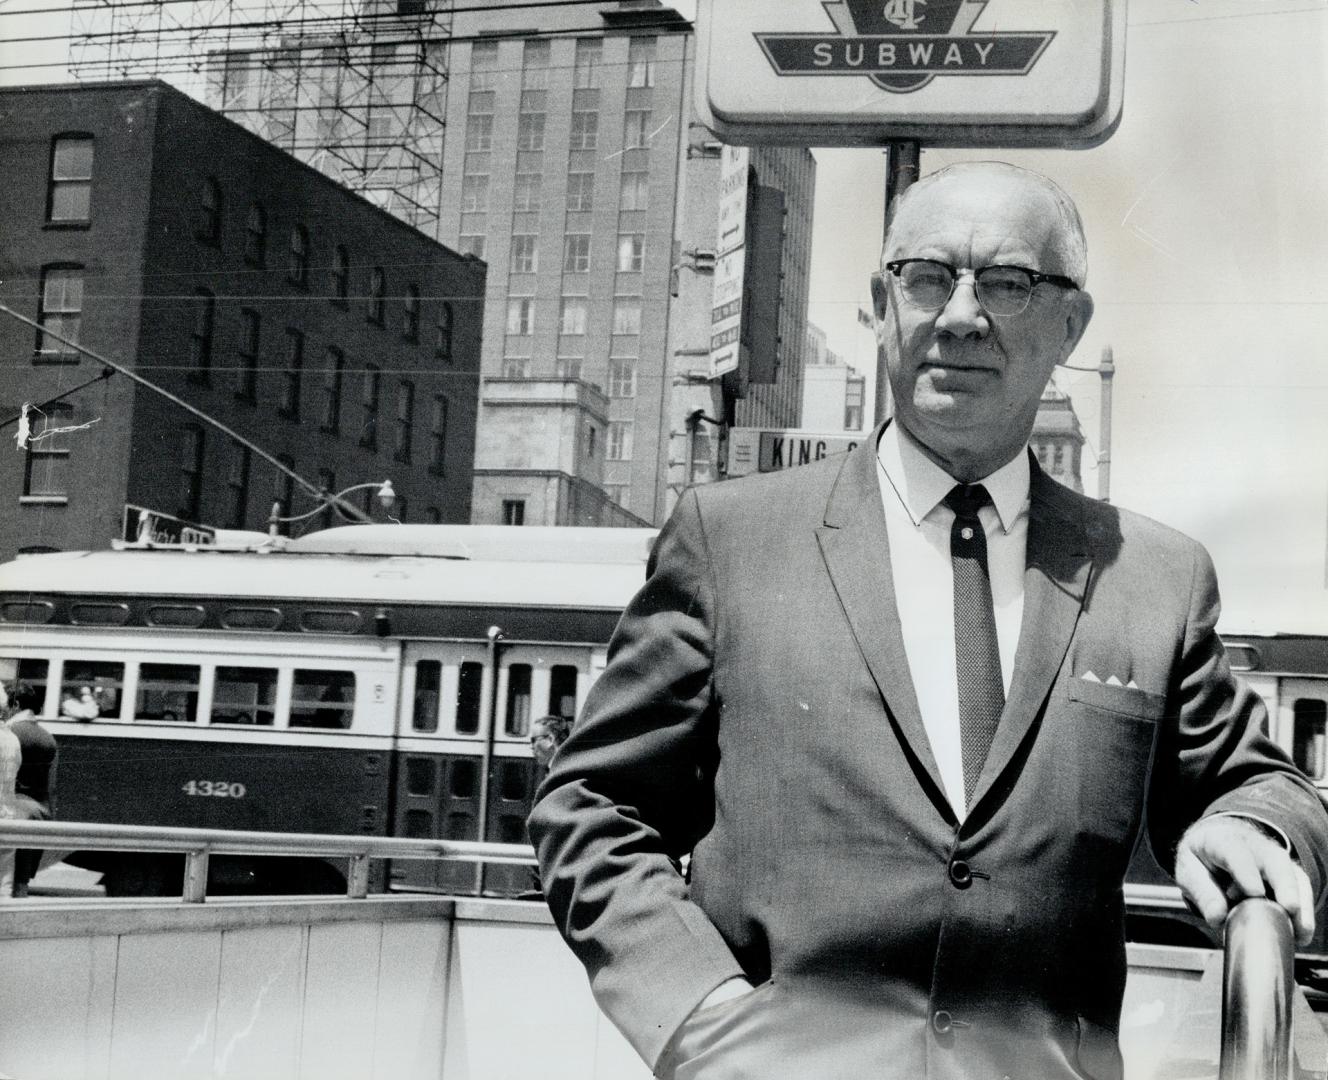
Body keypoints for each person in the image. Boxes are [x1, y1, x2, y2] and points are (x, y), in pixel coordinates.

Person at [528, 162, 1328, 1080]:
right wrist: (698, 1014)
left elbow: (1263, 785)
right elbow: (591, 805)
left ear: (1072, 323)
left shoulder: (1152, 578)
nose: (959, 314)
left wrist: (1253, 829)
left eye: (1008, 283)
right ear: (882, 305)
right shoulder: (731, 540)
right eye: (926, 277)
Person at [3, 682, 56, 898]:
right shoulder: (48, 737)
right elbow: (52, 786)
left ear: (15, 705)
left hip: (12, 813)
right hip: (38, 815)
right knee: (20, 886)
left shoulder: (10, 734)